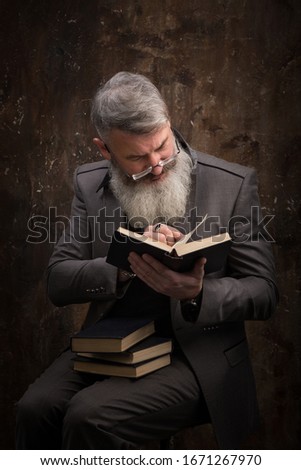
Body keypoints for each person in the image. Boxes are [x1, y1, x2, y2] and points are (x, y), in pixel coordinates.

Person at [16, 71, 278, 450]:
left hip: (196, 356)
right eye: (137, 158)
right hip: (110, 344)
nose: (157, 166)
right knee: (34, 409)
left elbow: (264, 292)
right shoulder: (88, 183)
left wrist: (197, 292)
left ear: (168, 123)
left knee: (89, 416)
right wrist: (123, 265)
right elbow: (58, 279)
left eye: (163, 147)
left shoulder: (233, 184)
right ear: (105, 150)